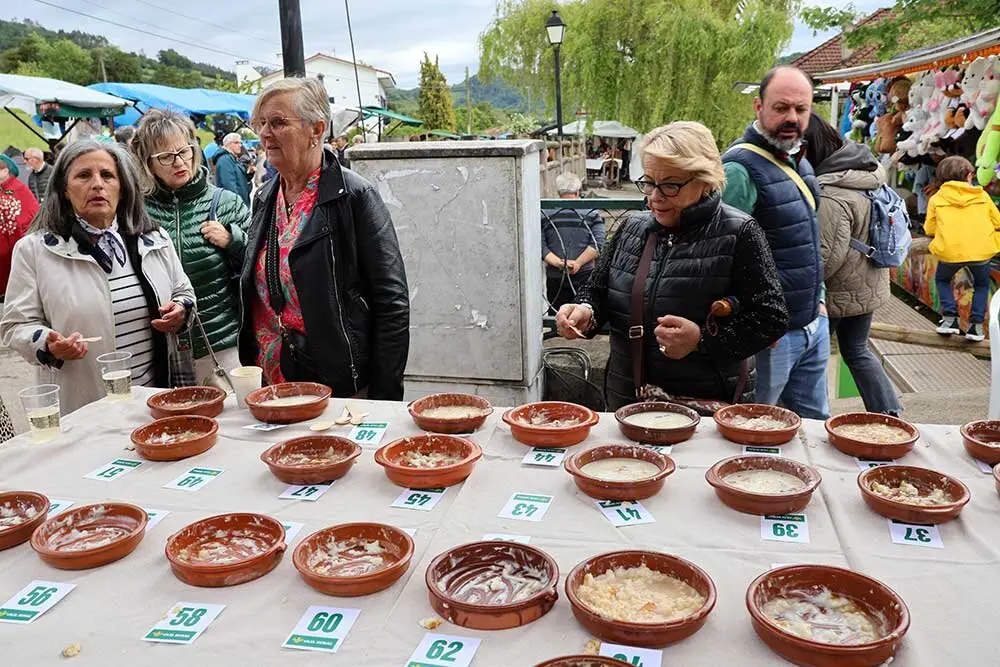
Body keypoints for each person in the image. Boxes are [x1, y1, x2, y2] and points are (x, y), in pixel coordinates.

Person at [557, 121, 789, 410]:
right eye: (649, 182)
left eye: (670, 185)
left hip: (706, 409)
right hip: (629, 400)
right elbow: (597, 292)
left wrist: (701, 342)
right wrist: (584, 312)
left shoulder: (740, 232)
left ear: (704, 180)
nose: (654, 196)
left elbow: (772, 318)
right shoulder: (631, 227)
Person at [240, 78, 409, 399]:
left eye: (277, 122)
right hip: (272, 379)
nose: (264, 133)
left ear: (316, 129)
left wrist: (384, 397)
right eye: (260, 123)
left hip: (338, 384)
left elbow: (392, 305)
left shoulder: (354, 196)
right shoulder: (264, 197)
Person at [0, 140, 196, 413]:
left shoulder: (154, 239)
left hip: (156, 401)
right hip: (87, 408)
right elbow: (14, 326)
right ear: (64, 189)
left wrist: (181, 310)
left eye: (107, 175)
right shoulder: (35, 250)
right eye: (83, 175)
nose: (97, 184)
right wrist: (47, 343)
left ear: (123, 187)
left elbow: (184, 292)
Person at [722, 66, 830, 420]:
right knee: (758, 426)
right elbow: (723, 256)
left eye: (801, 109)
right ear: (758, 107)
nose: (792, 118)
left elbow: (806, 240)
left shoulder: (799, 161)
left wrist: (820, 300)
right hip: (772, 336)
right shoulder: (740, 168)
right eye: (781, 107)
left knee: (813, 427)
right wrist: (754, 322)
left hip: (812, 323)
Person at [132, 110, 251, 386]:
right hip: (160, 350)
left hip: (221, 344)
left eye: (185, 151)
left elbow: (264, 262)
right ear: (147, 163)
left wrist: (234, 240)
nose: (179, 162)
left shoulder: (225, 203)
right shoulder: (137, 211)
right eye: (165, 157)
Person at [804, 112, 902, 416]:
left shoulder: (831, 193)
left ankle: (811, 417)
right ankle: (889, 413)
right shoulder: (864, 172)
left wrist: (800, 287)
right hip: (869, 279)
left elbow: (826, 256)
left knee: (811, 357)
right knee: (857, 351)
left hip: (837, 291)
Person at [924, 156, 1000, 342]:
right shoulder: (982, 196)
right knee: (981, 285)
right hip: (980, 251)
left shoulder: (937, 198)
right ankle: (975, 327)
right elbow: (997, 221)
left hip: (950, 252)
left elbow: (929, 229)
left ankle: (950, 320)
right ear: (968, 176)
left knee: (942, 279)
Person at [543, 172, 605, 312]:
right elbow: (597, 243)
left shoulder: (545, 213)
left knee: (558, 317)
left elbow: (541, 246)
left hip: (555, 275)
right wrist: (577, 263)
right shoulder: (591, 213)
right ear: (578, 191)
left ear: (558, 191)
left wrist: (561, 263)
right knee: (583, 316)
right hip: (585, 273)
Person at [0, 154, 39, 301]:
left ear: (6, 171)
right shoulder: (3, 190)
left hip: (16, 249)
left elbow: (27, 218)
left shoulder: (18, 189)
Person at [212, 132, 251, 206]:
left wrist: (249, 175)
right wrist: (238, 206)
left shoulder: (233, 159)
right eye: (236, 143)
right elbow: (229, 186)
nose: (240, 145)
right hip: (235, 207)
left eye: (240, 143)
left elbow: (240, 181)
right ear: (228, 144)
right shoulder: (225, 160)